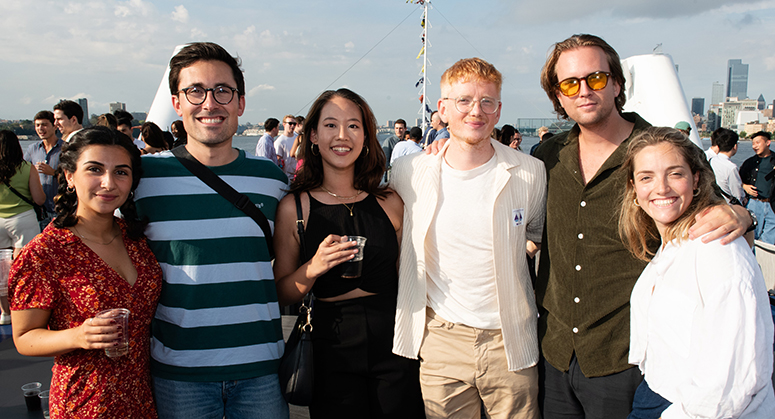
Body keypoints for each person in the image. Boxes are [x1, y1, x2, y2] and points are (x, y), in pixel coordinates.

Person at [533, 34, 751, 418]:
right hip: (554, 352)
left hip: (627, 357)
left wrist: (742, 215)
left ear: (617, 83)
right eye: (569, 83)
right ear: (558, 96)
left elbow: (725, 215)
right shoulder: (547, 156)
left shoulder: (662, 151)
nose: (584, 91)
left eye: (596, 78)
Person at [133, 42, 289, 419]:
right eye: (195, 91)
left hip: (261, 367)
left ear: (240, 103)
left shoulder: (272, 179)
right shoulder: (143, 179)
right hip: (179, 371)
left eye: (222, 90)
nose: (209, 103)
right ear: (177, 102)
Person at [392, 58, 546, 418]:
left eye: (486, 102)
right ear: (443, 109)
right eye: (463, 101)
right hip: (442, 338)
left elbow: (535, 232)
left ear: (498, 110)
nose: (475, 111)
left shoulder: (529, 172)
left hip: (511, 338)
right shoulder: (409, 171)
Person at [273, 88, 424, 418]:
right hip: (329, 346)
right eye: (330, 125)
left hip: (396, 341)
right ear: (313, 135)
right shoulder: (295, 207)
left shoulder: (390, 201)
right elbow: (282, 291)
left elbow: (409, 276)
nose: (342, 136)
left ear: (367, 136)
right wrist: (313, 267)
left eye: (353, 126)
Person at [619, 127, 775, 419]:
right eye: (646, 177)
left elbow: (729, 384)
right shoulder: (672, 246)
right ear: (634, 187)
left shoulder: (717, 249)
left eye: (675, 173)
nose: (661, 188)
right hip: (659, 392)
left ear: (696, 179)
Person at [9, 126, 162, 418]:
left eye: (121, 172)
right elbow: (25, 337)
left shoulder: (137, 240)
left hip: (145, 396)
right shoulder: (45, 253)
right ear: (69, 176)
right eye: (95, 169)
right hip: (85, 402)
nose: (108, 183)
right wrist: (78, 336)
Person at [0, 130, 46, 325]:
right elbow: (39, 199)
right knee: (24, 268)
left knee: (2, 269)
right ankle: (24, 310)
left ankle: (5, 313)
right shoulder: (27, 168)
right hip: (23, 219)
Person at [24, 110, 64, 229]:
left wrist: (53, 172)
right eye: (37, 125)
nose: (40, 128)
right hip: (38, 211)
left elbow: (76, 177)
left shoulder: (66, 149)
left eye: (44, 125)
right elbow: (23, 173)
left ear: (55, 126)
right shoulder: (32, 149)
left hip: (60, 209)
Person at [740, 131, 775, 243]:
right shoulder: (749, 163)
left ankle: (763, 260)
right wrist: (744, 186)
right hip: (754, 204)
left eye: (757, 142)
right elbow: (738, 181)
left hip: (772, 205)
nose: (754, 146)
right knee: (751, 237)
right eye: (753, 143)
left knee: (769, 240)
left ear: (768, 142)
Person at [709, 127, 745, 205]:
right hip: (726, 206)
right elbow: (737, 194)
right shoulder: (731, 167)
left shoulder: (711, 161)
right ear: (735, 146)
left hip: (712, 203)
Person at [274, 114, 299, 179]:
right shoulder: (279, 141)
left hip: (298, 175)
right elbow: (277, 160)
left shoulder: (297, 139)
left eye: (294, 124)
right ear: (284, 124)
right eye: (290, 123)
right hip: (286, 177)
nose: (292, 126)